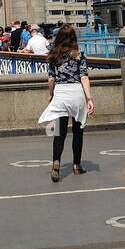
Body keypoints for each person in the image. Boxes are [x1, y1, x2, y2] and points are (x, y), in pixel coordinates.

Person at [37, 24, 94, 181]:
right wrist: (89, 98)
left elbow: (51, 79)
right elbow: (83, 77)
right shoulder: (79, 55)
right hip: (76, 93)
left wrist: (52, 95)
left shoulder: (54, 56)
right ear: (73, 38)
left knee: (59, 133)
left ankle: (56, 162)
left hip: (61, 93)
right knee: (78, 131)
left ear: (59, 38)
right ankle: (77, 165)